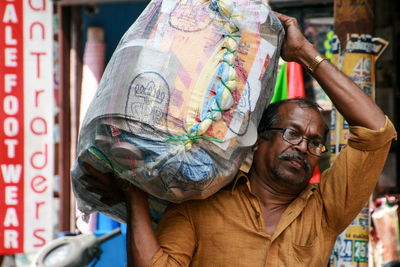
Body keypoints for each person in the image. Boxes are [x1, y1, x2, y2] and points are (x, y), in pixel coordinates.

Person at [83, 12, 397, 266]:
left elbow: (376, 130)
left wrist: (304, 53)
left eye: (315, 143)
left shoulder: (326, 208)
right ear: (258, 140)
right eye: (292, 134)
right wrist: (134, 183)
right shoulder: (200, 203)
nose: (303, 146)